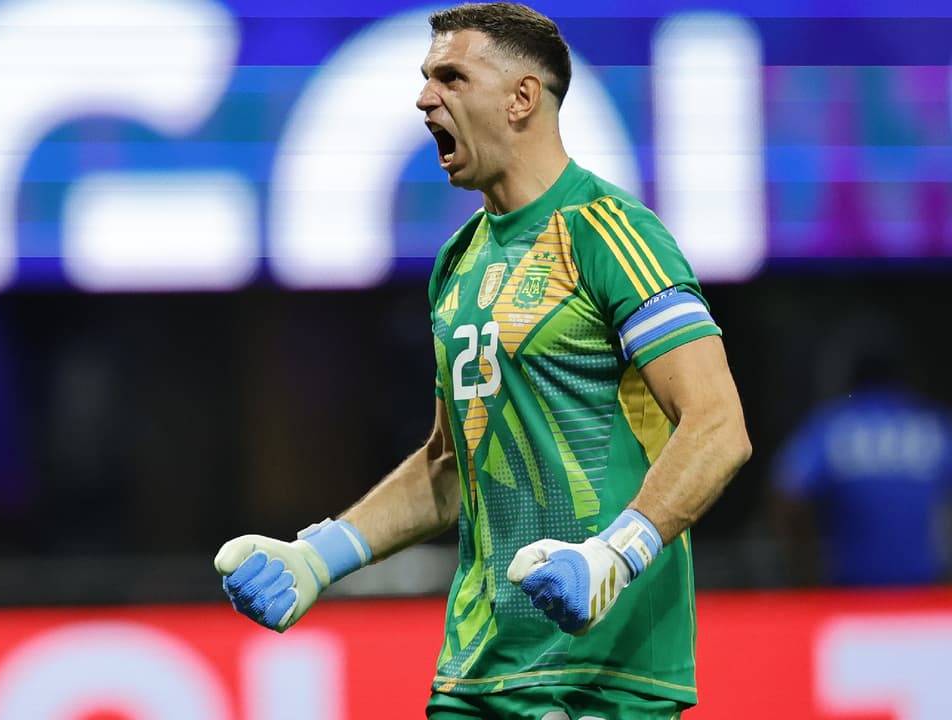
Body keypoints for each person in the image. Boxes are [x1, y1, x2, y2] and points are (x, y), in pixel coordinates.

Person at [214, 3, 751, 718]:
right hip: (475, 673)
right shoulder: (458, 262)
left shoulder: (610, 232)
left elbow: (718, 425)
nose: (424, 97)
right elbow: (448, 465)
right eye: (426, 78)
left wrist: (613, 556)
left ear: (522, 98)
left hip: (595, 674)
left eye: (451, 77)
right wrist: (320, 557)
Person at [773, 345, 952, 587]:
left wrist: (804, 565)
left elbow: (788, 492)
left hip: (852, 590)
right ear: (904, 379)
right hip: (923, 589)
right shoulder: (933, 425)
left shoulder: (833, 425)